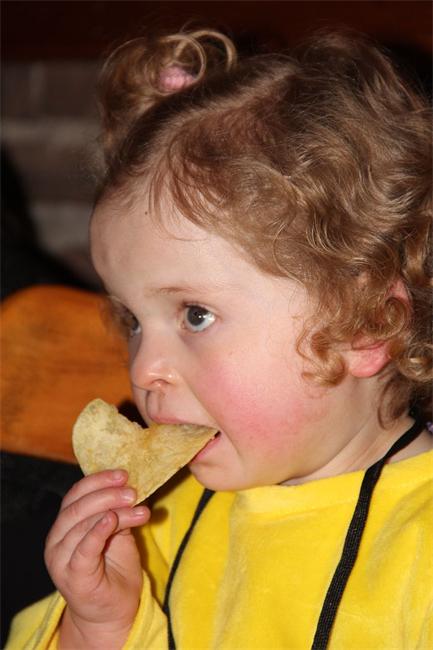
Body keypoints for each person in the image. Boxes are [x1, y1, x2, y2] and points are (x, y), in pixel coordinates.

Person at [6, 28, 432, 649]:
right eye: (133, 321)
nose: (143, 369)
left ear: (363, 324)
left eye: (196, 316)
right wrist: (99, 623)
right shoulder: (150, 523)